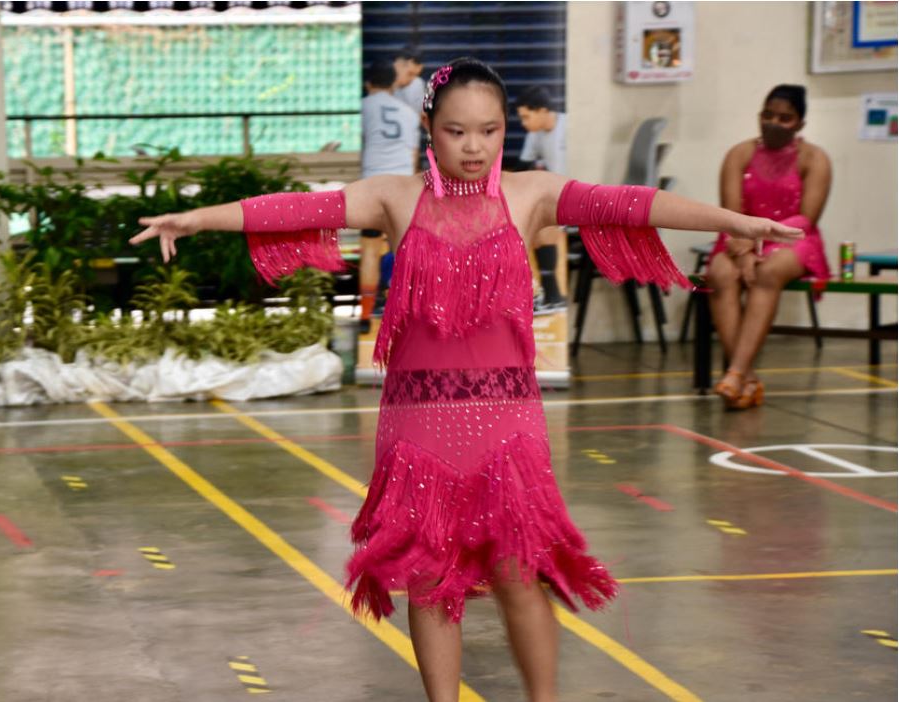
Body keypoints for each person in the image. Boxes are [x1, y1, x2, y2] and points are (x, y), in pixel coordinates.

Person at [131, 58, 801, 702]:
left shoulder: (532, 192)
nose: (475, 148)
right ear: (429, 128)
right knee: (430, 579)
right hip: (418, 419)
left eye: (490, 130)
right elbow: (296, 211)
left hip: (507, 415)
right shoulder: (394, 197)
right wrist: (195, 219)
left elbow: (632, 205)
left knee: (517, 573)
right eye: (457, 131)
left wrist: (734, 221)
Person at [707, 84, 832, 410]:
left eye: (785, 118)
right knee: (720, 272)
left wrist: (759, 245)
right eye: (768, 115)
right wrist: (744, 250)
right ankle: (747, 378)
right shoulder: (740, 154)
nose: (774, 122)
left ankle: (736, 372)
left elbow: (807, 218)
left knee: (768, 271)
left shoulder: (814, 159)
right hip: (739, 235)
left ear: (800, 124)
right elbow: (731, 213)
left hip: (791, 238)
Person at [359, 60, 420, 327]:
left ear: (368, 83)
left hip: (372, 185)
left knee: (371, 250)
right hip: (402, 188)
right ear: (392, 84)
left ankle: (366, 314)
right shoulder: (408, 113)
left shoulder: (363, 108)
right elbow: (413, 155)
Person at [516, 86, 569, 313]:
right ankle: (551, 294)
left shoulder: (568, 127)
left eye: (526, 116)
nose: (523, 122)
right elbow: (522, 167)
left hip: (585, 196)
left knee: (542, 220)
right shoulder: (535, 134)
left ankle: (553, 294)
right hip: (562, 194)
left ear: (543, 111)